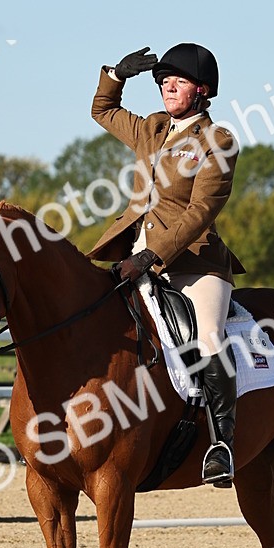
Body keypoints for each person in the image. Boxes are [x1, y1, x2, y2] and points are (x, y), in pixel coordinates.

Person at [89, 43, 243, 486]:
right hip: (135, 257)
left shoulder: (219, 141)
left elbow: (199, 213)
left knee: (210, 335)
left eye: (178, 80)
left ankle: (222, 445)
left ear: (203, 89)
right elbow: (102, 109)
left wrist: (153, 257)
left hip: (194, 264)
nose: (167, 85)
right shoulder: (153, 128)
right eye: (162, 80)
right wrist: (116, 73)